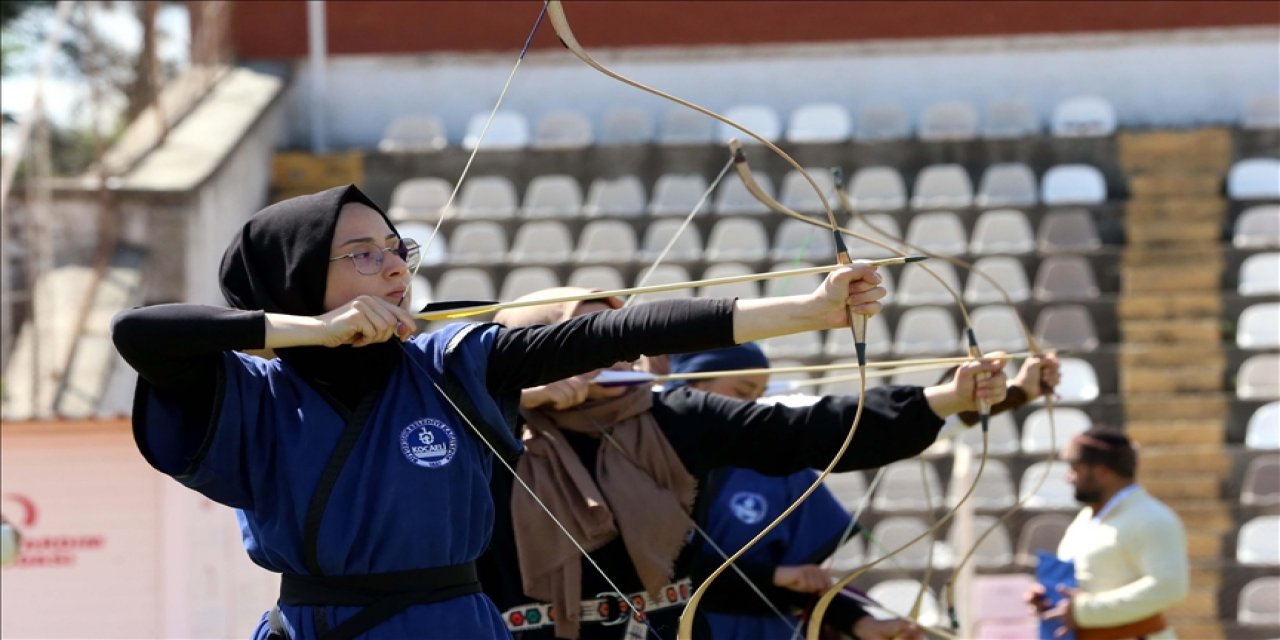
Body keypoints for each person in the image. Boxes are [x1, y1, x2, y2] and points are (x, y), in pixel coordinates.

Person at [109, 184, 893, 640]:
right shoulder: (249, 388)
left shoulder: (451, 361)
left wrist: (802, 310)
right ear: (295, 275)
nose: (393, 268)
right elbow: (139, 332)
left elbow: (617, 330)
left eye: (395, 247)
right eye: (361, 254)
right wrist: (305, 334)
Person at [478, 287, 1009, 640]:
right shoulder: (475, 425)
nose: (619, 357)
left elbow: (802, 431)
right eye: (583, 342)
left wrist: (946, 399)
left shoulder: (672, 416)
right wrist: (507, 401)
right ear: (533, 350)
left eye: (623, 341)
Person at [665, 343, 923, 640]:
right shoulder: (646, 462)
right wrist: (774, 577)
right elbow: (661, 573)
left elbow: (799, 581)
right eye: (741, 392)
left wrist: (860, 622)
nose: (749, 406)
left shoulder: (778, 464)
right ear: (692, 384)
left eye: (758, 397)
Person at [1026, 429, 1189, 639]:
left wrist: (1085, 611)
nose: (1069, 478)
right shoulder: (1086, 518)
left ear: (1102, 471)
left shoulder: (1152, 518)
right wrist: (1048, 598)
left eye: (1075, 469)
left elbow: (1169, 587)